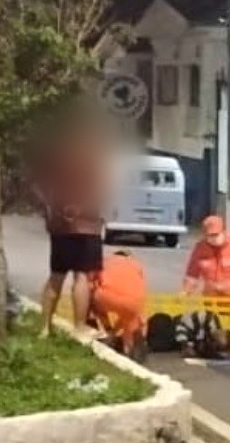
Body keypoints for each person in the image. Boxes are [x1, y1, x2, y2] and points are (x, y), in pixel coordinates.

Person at [33, 111, 109, 336]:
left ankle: (44, 328)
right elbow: (102, 189)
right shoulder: (92, 155)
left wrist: (51, 208)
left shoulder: (54, 155)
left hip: (60, 224)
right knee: (82, 276)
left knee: (56, 274)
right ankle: (79, 326)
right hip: (86, 223)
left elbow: (35, 185)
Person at [90, 249, 149, 359]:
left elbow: (90, 282)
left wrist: (111, 332)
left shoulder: (105, 261)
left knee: (89, 297)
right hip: (133, 303)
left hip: (107, 297)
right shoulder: (136, 265)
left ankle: (103, 332)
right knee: (131, 316)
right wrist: (115, 332)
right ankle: (130, 347)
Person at [183, 214, 230, 300]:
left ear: (224, 232)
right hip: (213, 303)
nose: (213, 238)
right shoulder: (200, 249)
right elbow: (192, 275)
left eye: (216, 235)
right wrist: (184, 293)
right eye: (210, 235)